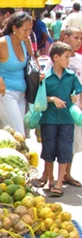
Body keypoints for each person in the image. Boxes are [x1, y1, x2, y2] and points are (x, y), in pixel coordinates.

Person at [33, 27, 82, 189]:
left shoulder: (72, 77)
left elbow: (78, 90)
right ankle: (50, 180)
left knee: (65, 149)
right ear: (56, 57)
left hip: (67, 119)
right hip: (49, 118)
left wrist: (75, 97)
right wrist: (52, 99)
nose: (69, 60)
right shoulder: (46, 77)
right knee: (48, 149)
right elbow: (39, 97)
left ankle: (60, 183)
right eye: (66, 57)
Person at [0, 11, 35, 136]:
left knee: (7, 135)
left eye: (30, 30)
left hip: (22, 94)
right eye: (25, 30)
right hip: (5, 93)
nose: (28, 34)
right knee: (18, 135)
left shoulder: (25, 41)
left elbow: (33, 61)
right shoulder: (1, 44)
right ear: (15, 28)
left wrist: (38, 74)